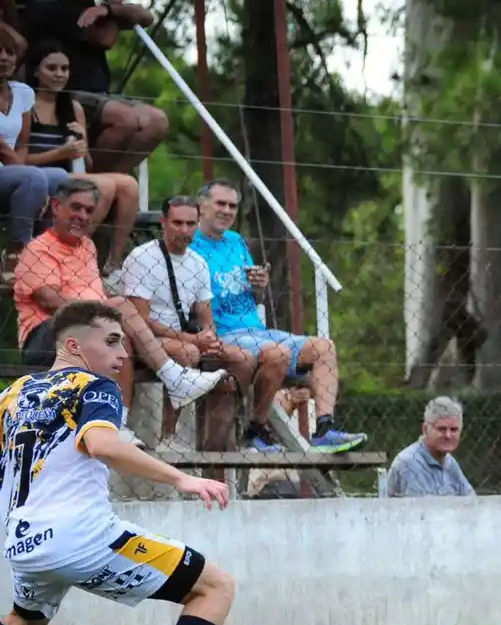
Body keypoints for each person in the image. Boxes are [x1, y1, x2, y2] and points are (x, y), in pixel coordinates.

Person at [0, 300, 236, 625]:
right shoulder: (94, 386)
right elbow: (103, 444)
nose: (123, 354)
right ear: (74, 345)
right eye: (111, 341)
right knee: (214, 586)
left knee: (25, 620)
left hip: (23, 541)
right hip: (82, 538)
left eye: (123, 342)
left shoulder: (11, 396)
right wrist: (183, 479)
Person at [14, 179, 226, 432]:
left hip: (90, 328)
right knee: (119, 307)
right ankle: (172, 377)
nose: (82, 216)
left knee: (119, 337)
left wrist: (103, 312)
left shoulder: (87, 247)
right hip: (48, 334)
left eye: (89, 211)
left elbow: (97, 294)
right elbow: (51, 301)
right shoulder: (38, 249)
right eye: (76, 208)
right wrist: (102, 309)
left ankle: (120, 421)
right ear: (57, 207)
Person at [190, 180, 366, 453]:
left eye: (232, 206)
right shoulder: (190, 246)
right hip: (222, 335)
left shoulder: (236, 242)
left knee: (324, 347)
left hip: (256, 331)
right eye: (220, 204)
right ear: (201, 206)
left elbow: (253, 293)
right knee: (277, 352)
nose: (227, 210)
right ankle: (257, 430)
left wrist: (259, 284)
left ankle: (325, 429)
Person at [120, 196, 258, 448]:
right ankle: (168, 437)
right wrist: (193, 339)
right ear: (163, 222)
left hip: (186, 337)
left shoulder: (198, 263)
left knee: (244, 358)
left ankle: (223, 438)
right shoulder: (142, 257)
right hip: (146, 338)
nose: (184, 230)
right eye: (178, 223)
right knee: (189, 351)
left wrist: (211, 339)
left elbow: (206, 317)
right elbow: (139, 319)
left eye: (191, 223)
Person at [20, 0, 167, 175]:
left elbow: (146, 17)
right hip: (67, 93)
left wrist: (109, 9)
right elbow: (105, 39)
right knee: (125, 120)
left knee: (157, 122)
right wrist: (112, 10)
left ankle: (112, 179)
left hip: (100, 95)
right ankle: (92, 183)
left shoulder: (94, 7)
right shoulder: (51, 5)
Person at [24, 39, 139, 278]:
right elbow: (19, 160)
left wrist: (82, 143)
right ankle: (69, 257)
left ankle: (114, 266)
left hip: (70, 173)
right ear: (36, 70)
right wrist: (60, 153)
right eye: (51, 68)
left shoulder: (72, 106)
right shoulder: (27, 105)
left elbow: (86, 164)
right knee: (103, 185)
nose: (59, 74)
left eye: (64, 69)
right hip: (39, 173)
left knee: (128, 185)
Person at [0, 23, 65, 280]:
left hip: (11, 173)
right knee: (34, 179)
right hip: (9, 171)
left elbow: (22, 144)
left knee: (59, 176)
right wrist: (29, 176)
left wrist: (28, 175)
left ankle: (43, 254)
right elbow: (2, 150)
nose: (4, 57)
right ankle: (16, 254)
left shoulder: (23, 93)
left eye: (9, 51)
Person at [386, 395, 476, 498]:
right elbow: (421, 512)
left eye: (454, 429)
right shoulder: (409, 463)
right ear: (425, 429)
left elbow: (472, 503)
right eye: (442, 429)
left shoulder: (450, 462)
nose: (448, 435)